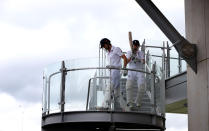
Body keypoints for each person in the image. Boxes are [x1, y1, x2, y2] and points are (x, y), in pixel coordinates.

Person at [100, 38, 128, 110]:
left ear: (107, 44)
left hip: (116, 72)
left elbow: (124, 58)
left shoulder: (116, 49)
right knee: (117, 93)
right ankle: (125, 108)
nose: (103, 47)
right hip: (111, 72)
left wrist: (124, 68)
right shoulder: (108, 53)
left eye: (103, 46)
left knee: (109, 87)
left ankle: (105, 105)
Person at [125, 40, 145, 111]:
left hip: (139, 70)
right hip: (131, 70)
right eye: (134, 45)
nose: (136, 47)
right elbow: (126, 61)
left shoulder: (141, 53)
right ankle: (130, 102)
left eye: (137, 46)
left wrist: (138, 58)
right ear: (132, 46)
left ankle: (138, 102)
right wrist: (131, 56)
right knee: (129, 86)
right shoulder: (129, 52)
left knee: (142, 87)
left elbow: (143, 61)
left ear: (138, 46)